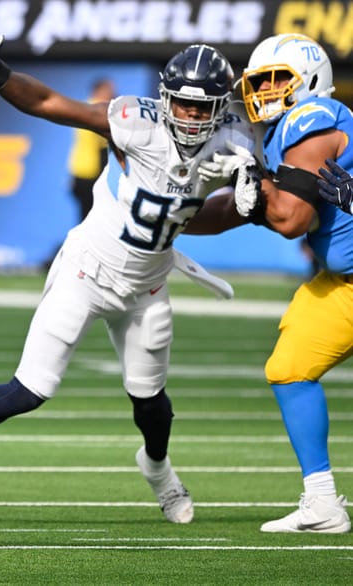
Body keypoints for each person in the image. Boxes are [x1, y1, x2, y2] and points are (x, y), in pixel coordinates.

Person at [0, 8, 255, 524]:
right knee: (30, 389)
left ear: (222, 108)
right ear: (164, 98)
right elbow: (47, 102)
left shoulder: (238, 144)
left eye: (204, 111)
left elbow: (214, 211)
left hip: (147, 286)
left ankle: (157, 469)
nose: (192, 119)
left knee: (150, 402)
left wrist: (253, 199)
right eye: (183, 105)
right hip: (87, 270)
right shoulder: (136, 122)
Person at [191, 33, 351, 533]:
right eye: (259, 82)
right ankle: (323, 502)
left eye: (279, 79)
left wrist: (252, 184)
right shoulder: (282, 133)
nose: (266, 91)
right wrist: (171, 216)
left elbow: (292, 219)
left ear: (311, 81)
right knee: (290, 365)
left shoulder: (314, 119)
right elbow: (239, 211)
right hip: (342, 282)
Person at [67, 78, 115, 221]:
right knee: (91, 219)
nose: (113, 94)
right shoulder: (97, 113)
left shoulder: (83, 107)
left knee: (86, 217)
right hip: (91, 172)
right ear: (98, 91)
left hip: (79, 169)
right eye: (109, 91)